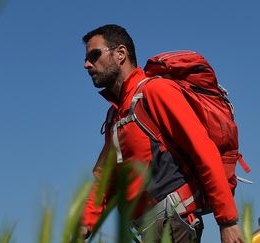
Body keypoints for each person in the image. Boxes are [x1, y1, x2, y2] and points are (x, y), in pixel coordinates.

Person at [80, 24, 244, 243]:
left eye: (94, 55)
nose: (87, 64)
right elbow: (105, 179)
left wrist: (227, 221)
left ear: (121, 54)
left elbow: (203, 151)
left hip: (174, 225)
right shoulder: (115, 116)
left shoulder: (155, 91)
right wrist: (83, 226)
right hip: (145, 232)